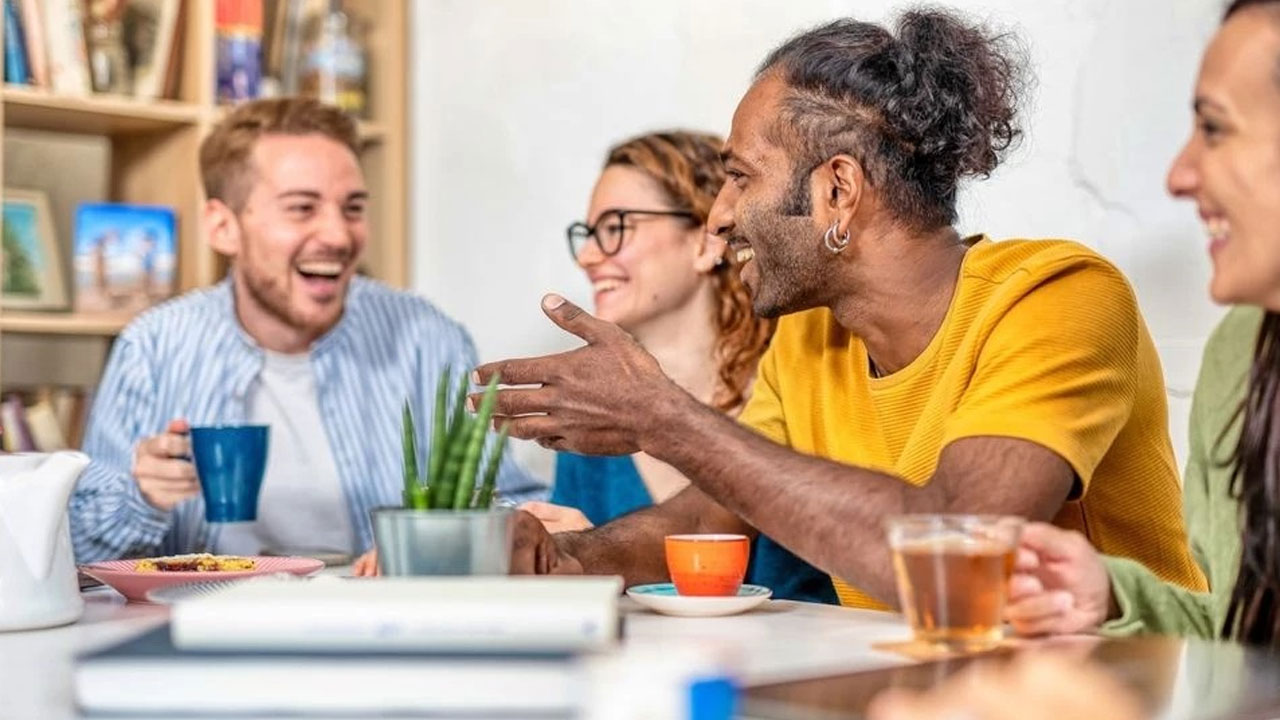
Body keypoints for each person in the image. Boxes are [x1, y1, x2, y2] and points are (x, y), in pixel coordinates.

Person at [479, 8, 1204, 609]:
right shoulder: (808, 343)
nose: (722, 216)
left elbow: (960, 555)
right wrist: (565, 559)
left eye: (739, 178)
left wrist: (664, 419)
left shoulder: (1056, 298)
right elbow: (704, 518)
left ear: (838, 191)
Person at [69, 97, 543, 563]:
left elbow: (512, 505)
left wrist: (433, 545)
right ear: (223, 226)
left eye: (353, 208)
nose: (338, 236)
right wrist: (142, 497)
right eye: (302, 208)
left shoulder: (428, 340)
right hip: (202, 627)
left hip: (379, 627)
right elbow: (77, 544)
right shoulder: (152, 347)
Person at [1004, 0, 1280, 647]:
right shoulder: (1241, 351)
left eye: (1214, 129)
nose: (1179, 174)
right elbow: (1246, 636)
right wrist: (1115, 595)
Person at [522, 130, 836, 603]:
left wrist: (600, 558)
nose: (588, 257)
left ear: (708, 239)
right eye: (588, 234)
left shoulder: (799, 384)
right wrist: (588, 557)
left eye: (615, 227)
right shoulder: (591, 417)